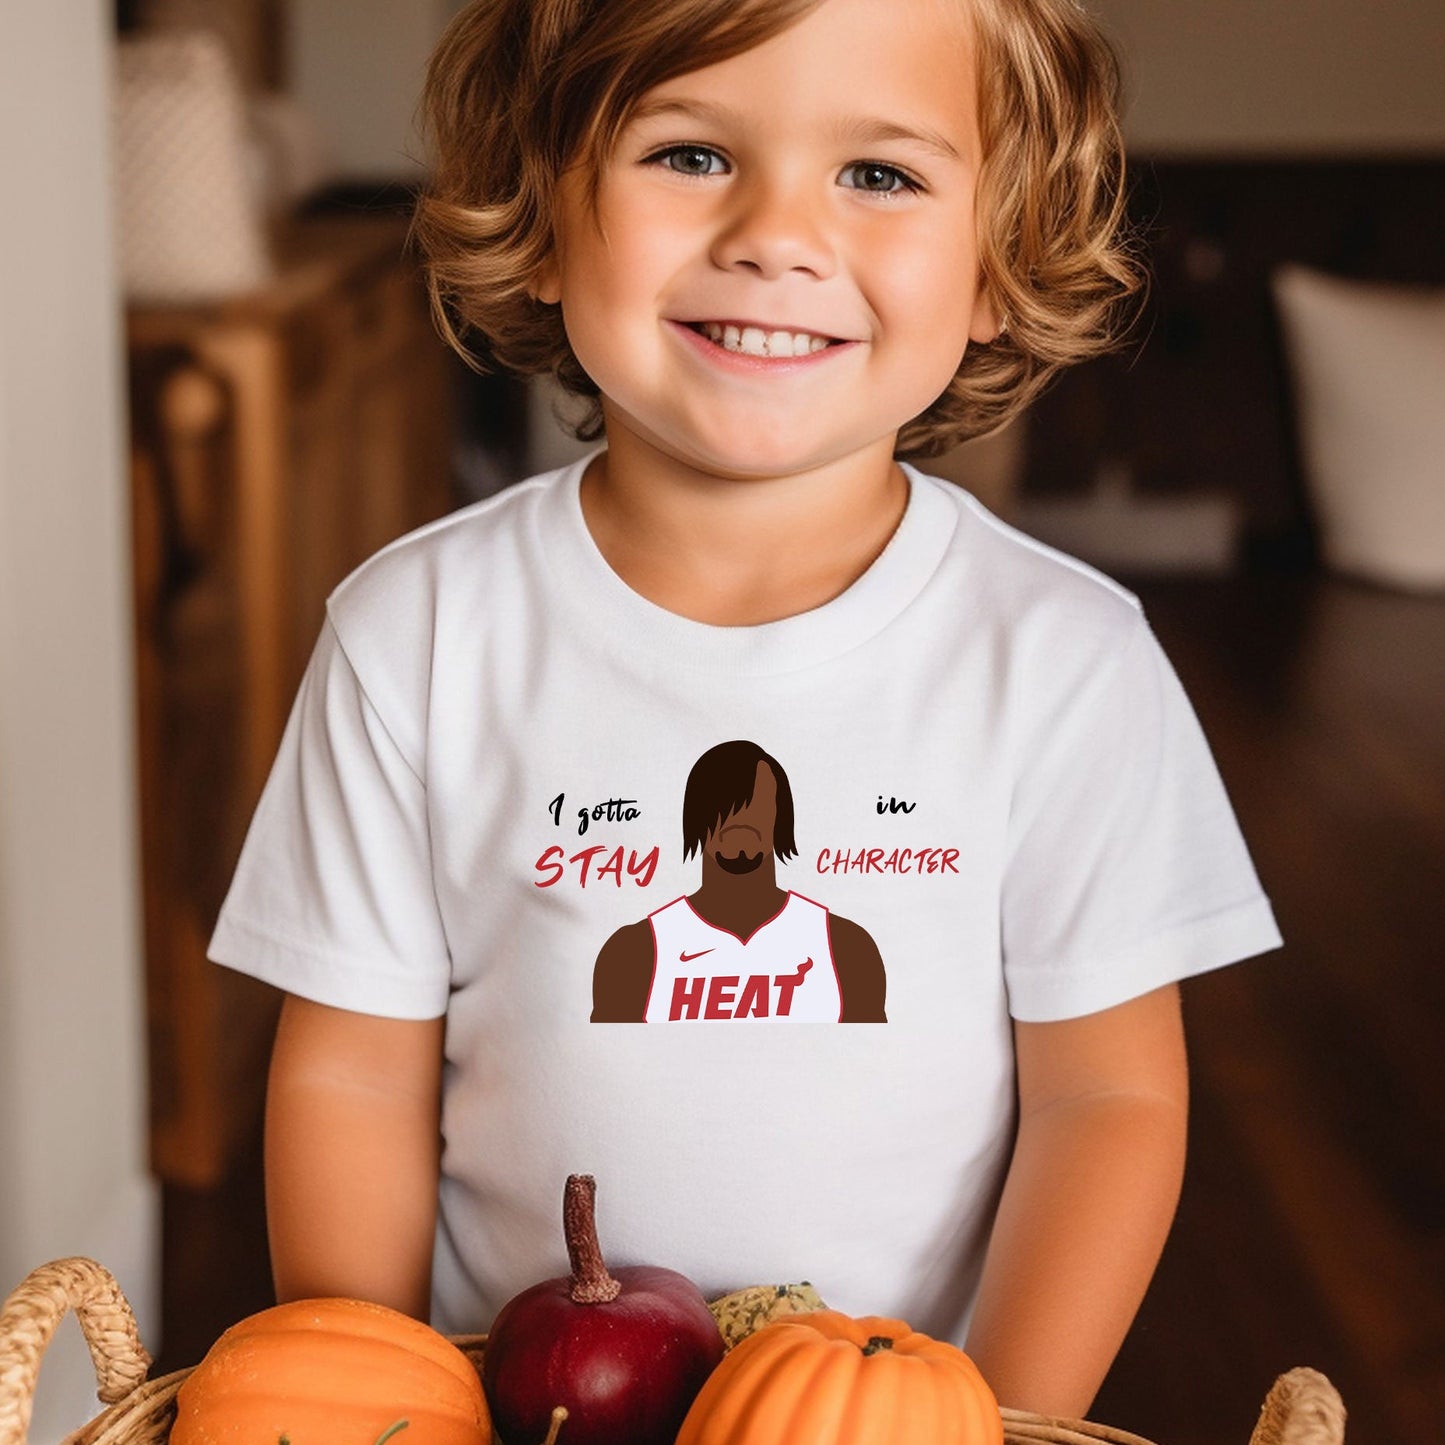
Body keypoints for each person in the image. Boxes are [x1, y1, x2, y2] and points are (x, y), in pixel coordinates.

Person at [208, 0, 1283, 1417]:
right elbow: (350, 1077)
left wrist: (997, 1415)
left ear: (995, 262)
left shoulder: (1066, 661)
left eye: (880, 174)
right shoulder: (413, 636)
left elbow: (1109, 1103)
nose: (777, 235)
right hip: (520, 1405)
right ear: (544, 208)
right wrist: (378, 1400)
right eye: (692, 153)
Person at [591, 739, 888, 1021]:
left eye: (756, 814)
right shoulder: (634, 953)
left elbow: (874, 1062)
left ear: (780, 821)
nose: (741, 837)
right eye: (723, 814)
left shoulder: (846, 948)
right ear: (695, 821)